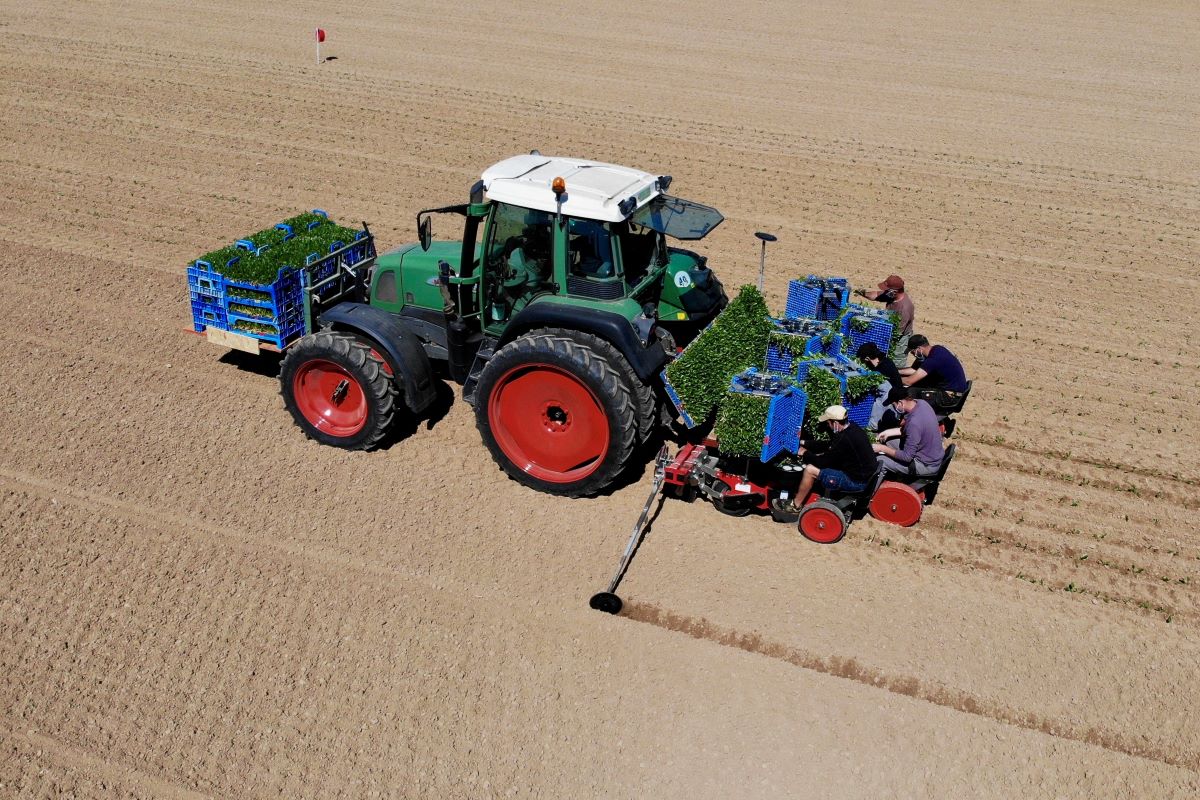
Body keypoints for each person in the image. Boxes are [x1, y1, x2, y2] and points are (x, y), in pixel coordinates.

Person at [789, 405, 877, 506]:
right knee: (819, 457)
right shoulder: (852, 428)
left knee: (809, 469)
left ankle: (795, 505)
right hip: (864, 476)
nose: (828, 426)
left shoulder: (844, 439)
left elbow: (821, 462)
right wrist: (804, 443)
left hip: (857, 483)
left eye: (828, 423)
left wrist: (804, 453)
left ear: (835, 423)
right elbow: (829, 445)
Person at [873, 386, 945, 477]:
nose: (894, 408)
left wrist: (881, 449)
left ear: (900, 403)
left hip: (925, 465)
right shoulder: (921, 403)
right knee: (888, 441)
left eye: (893, 405)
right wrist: (888, 432)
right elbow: (911, 430)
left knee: (880, 461)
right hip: (932, 455)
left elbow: (907, 457)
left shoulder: (914, 423)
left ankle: (873, 490)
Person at [899, 334, 968, 411]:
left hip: (950, 397)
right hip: (954, 390)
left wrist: (893, 377)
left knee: (909, 393)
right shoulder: (937, 350)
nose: (913, 354)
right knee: (919, 384)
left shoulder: (934, 359)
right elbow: (915, 370)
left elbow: (909, 381)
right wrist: (896, 371)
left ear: (919, 348)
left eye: (912, 352)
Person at [854, 274, 914, 363]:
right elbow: (876, 295)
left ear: (894, 291)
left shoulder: (904, 308)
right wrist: (863, 293)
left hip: (899, 339)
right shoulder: (892, 295)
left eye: (887, 289)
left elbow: (897, 333)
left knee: (895, 361)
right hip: (890, 326)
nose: (885, 291)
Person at [855, 341, 902, 431]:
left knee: (881, 396)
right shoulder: (883, 360)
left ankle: (873, 426)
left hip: (892, 401)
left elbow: (883, 391)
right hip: (891, 396)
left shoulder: (883, 370)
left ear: (867, 358)